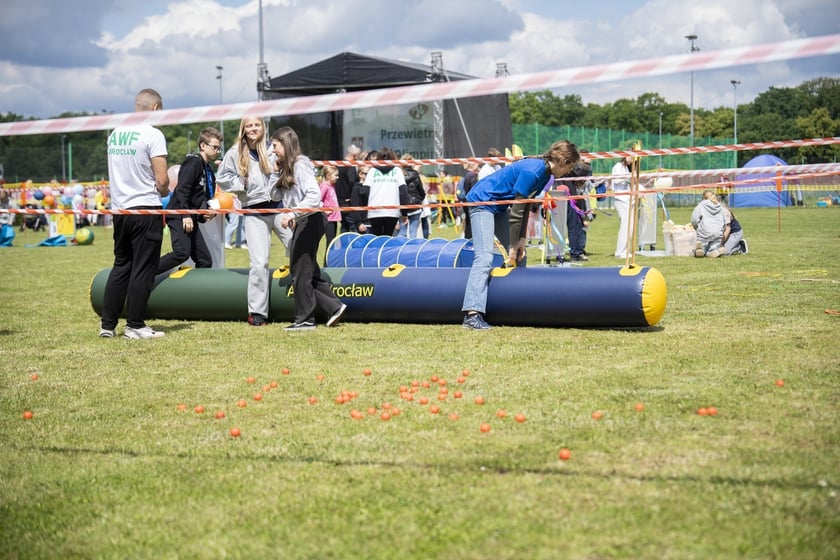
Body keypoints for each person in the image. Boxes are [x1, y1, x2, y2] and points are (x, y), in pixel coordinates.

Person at [461, 140, 580, 330]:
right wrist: (512, 246)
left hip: (498, 206)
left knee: (520, 256)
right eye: (570, 167)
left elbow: (524, 206)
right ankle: (472, 315)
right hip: (482, 202)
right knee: (484, 257)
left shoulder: (545, 174)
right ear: (562, 161)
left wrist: (521, 241)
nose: (568, 172)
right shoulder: (533, 171)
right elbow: (516, 211)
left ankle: (517, 305)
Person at [99, 88, 169, 339]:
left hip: (120, 210)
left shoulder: (116, 133)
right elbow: (162, 179)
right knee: (143, 269)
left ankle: (107, 325)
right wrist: (164, 189)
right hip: (146, 209)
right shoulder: (153, 134)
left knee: (121, 266)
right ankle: (135, 325)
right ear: (156, 109)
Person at [269, 126, 347, 331]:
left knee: (300, 270)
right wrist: (273, 173)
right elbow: (274, 196)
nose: (273, 150)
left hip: (311, 219)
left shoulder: (300, 165)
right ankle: (335, 306)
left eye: (275, 145)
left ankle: (305, 319)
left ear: (286, 144)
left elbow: (313, 195)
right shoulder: (287, 167)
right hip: (306, 219)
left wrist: (294, 214)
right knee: (307, 268)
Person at [217, 116, 291, 326]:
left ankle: (304, 297)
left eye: (256, 125)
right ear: (243, 129)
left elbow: (291, 168)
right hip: (254, 212)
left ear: (263, 127)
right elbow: (222, 178)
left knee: (298, 247)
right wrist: (243, 183)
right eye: (248, 125)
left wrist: (282, 173)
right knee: (259, 263)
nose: (253, 128)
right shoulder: (234, 153)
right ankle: (258, 313)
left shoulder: (273, 148)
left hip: (278, 208)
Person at [156, 127, 222, 274]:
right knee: (181, 253)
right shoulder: (193, 162)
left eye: (219, 148)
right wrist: (185, 214)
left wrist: (208, 213)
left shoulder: (207, 168)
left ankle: (197, 294)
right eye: (215, 147)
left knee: (205, 261)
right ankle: (145, 273)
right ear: (203, 146)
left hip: (190, 216)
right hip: (179, 214)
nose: (218, 151)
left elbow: (202, 196)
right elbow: (182, 190)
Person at [356, 147, 408, 236]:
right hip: (392, 211)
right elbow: (403, 193)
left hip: (374, 210)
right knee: (388, 238)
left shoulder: (372, 171)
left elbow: (364, 192)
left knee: (377, 238)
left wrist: (366, 208)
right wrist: (404, 213)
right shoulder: (397, 171)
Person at [557, 156, 594, 261]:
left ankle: (575, 252)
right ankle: (574, 254)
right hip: (567, 198)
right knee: (571, 227)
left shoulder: (567, 171)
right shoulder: (566, 172)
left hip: (570, 198)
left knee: (575, 226)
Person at [691, 190, 730, 258]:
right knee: (714, 245)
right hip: (717, 233)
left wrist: (697, 228)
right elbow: (725, 220)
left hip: (704, 232)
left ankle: (700, 249)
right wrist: (721, 230)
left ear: (703, 198)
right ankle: (713, 251)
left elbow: (694, 219)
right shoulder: (720, 206)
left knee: (702, 243)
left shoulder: (701, 205)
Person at [611, 154, 634, 258]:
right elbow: (616, 180)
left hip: (628, 199)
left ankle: (626, 250)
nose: (632, 160)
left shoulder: (627, 168)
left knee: (630, 227)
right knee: (625, 226)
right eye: (631, 157)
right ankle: (620, 251)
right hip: (621, 199)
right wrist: (628, 176)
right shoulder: (618, 166)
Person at [335, 144, 361, 233]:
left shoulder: (339, 165)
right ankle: (356, 246)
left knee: (344, 227)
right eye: (358, 156)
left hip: (339, 200)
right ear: (354, 156)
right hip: (348, 202)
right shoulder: (350, 166)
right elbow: (352, 181)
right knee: (354, 227)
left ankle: (343, 246)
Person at [319, 164, 341, 263]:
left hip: (334, 218)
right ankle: (326, 263)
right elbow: (317, 200)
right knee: (330, 241)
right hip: (329, 219)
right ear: (328, 175)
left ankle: (329, 262)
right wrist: (325, 210)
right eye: (335, 175)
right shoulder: (324, 187)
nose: (337, 177)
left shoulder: (332, 186)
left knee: (332, 242)